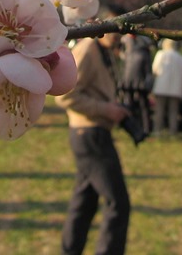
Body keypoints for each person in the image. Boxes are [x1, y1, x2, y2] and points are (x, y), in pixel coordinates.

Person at [56, 27, 131, 255]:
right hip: (90, 134)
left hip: (92, 133)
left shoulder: (104, 50)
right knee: (118, 203)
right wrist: (106, 109)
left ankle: (70, 250)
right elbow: (65, 94)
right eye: (115, 32)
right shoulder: (88, 48)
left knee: (85, 201)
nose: (118, 38)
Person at [150, 39, 182, 137]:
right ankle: (173, 131)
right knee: (173, 112)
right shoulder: (181, 58)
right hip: (176, 89)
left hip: (161, 87)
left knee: (159, 110)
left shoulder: (161, 54)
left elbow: (154, 69)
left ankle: (157, 130)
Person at [119, 33, 153, 135]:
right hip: (139, 81)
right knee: (143, 105)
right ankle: (145, 128)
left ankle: (134, 128)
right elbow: (148, 70)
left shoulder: (128, 53)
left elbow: (124, 66)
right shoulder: (144, 53)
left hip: (128, 80)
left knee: (130, 104)